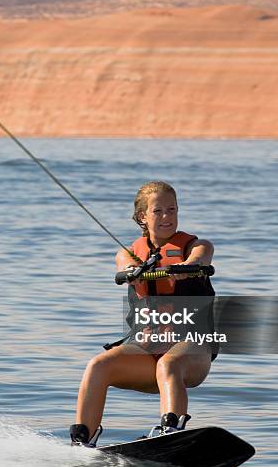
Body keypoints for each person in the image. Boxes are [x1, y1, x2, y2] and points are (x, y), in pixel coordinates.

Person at [70, 181, 216, 447]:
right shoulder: (128, 253)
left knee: (169, 364)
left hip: (192, 352)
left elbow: (201, 258)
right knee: (98, 365)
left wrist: (185, 267)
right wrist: (132, 271)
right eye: (158, 211)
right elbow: (123, 265)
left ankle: (170, 433)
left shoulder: (196, 245)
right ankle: (82, 442)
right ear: (142, 216)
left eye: (172, 210)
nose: (167, 217)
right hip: (147, 349)